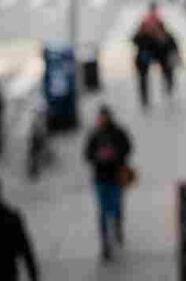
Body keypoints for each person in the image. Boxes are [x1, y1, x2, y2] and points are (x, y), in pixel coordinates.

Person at [83, 106, 133, 261]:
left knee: (117, 206)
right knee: (103, 211)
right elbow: (87, 154)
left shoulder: (118, 132)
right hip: (101, 178)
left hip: (116, 177)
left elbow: (128, 148)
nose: (101, 120)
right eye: (100, 118)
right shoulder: (94, 134)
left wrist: (116, 155)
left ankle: (118, 225)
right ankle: (105, 243)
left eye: (103, 118)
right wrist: (97, 157)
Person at [131, 2, 180, 107]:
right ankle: (161, 90)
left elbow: (169, 41)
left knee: (157, 72)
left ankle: (161, 90)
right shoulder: (151, 23)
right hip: (150, 52)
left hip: (154, 52)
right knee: (148, 74)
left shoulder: (150, 23)